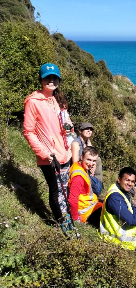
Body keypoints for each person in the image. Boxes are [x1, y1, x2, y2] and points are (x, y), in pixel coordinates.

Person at [23, 63, 73, 234]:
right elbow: (28, 132)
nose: (51, 81)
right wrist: (45, 154)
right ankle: (63, 226)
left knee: (65, 189)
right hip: (50, 156)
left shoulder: (58, 100)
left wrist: (70, 128)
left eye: (54, 77)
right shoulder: (33, 101)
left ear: (58, 80)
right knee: (56, 191)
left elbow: (68, 125)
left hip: (65, 153)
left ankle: (68, 220)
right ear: (41, 80)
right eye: (47, 78)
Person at [68, 146, 103, 225]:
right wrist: (75, 218)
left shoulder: (78, 165)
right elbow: (72, 199)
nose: (91, 163)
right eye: (89, 159)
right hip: (86, 212)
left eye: (94, 161)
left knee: (111, 202)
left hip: (90, 204)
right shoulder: (78, 178)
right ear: (82, 157)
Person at [71, 122, 103, 195]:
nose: (89, 131)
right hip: (79, 169)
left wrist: (93, 165)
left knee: (98, 160)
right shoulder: (76, 143)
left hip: (86, 166)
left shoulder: (88, 142)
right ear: (80, 131)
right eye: (86, 129)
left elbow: (93, 155)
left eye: (91, 129)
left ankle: (97, 186)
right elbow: (75, 164)